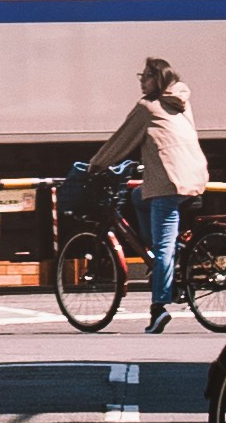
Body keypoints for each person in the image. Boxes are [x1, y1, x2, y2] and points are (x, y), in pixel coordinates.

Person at [84, 55, 210, 328]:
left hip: (168, 183)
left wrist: (95, 166)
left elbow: (121, 141)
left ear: (158, 79)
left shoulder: (147, 107)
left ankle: (159, 307)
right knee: (137, 196)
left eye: (146, 76)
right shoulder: (182, 103)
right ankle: (162, 257)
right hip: (194, 175)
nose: (142, 80)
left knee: (164, 246)